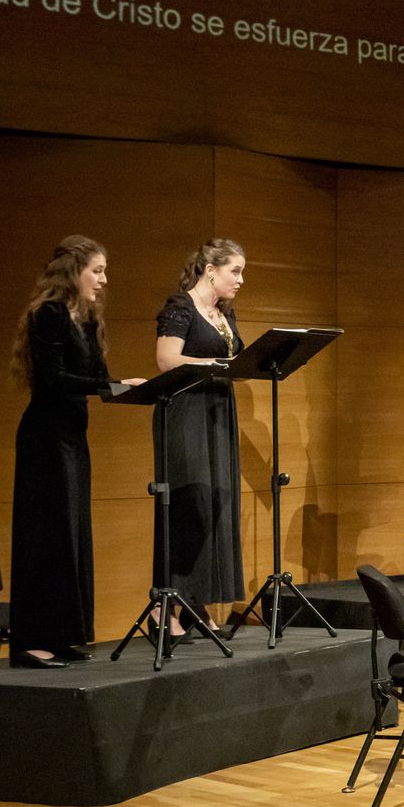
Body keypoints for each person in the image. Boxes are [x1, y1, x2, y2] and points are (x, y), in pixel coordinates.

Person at [9, 236, 144, 669]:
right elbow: (53, 380)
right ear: (73, 271)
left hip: (72, 438)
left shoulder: (86, 320)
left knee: (71, 534)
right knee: (44, 536)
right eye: (97, 271)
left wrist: (139, 389)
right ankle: (31, 641)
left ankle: (63, 634)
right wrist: (114, 386)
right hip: (45, 439)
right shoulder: (47, 315)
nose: (104, 280)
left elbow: (100, 380)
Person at [153, 239, 247, 639]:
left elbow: (237, 359)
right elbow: (167, 359)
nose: (241, 280)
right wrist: (212, 363)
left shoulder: (225, 314)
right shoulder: (180, 307)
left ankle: (194, 603)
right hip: (186, 413)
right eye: (235, 272)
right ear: (211, 270)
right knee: (189, 504)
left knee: (215, 506)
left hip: (218, 412)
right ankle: (164, 604)